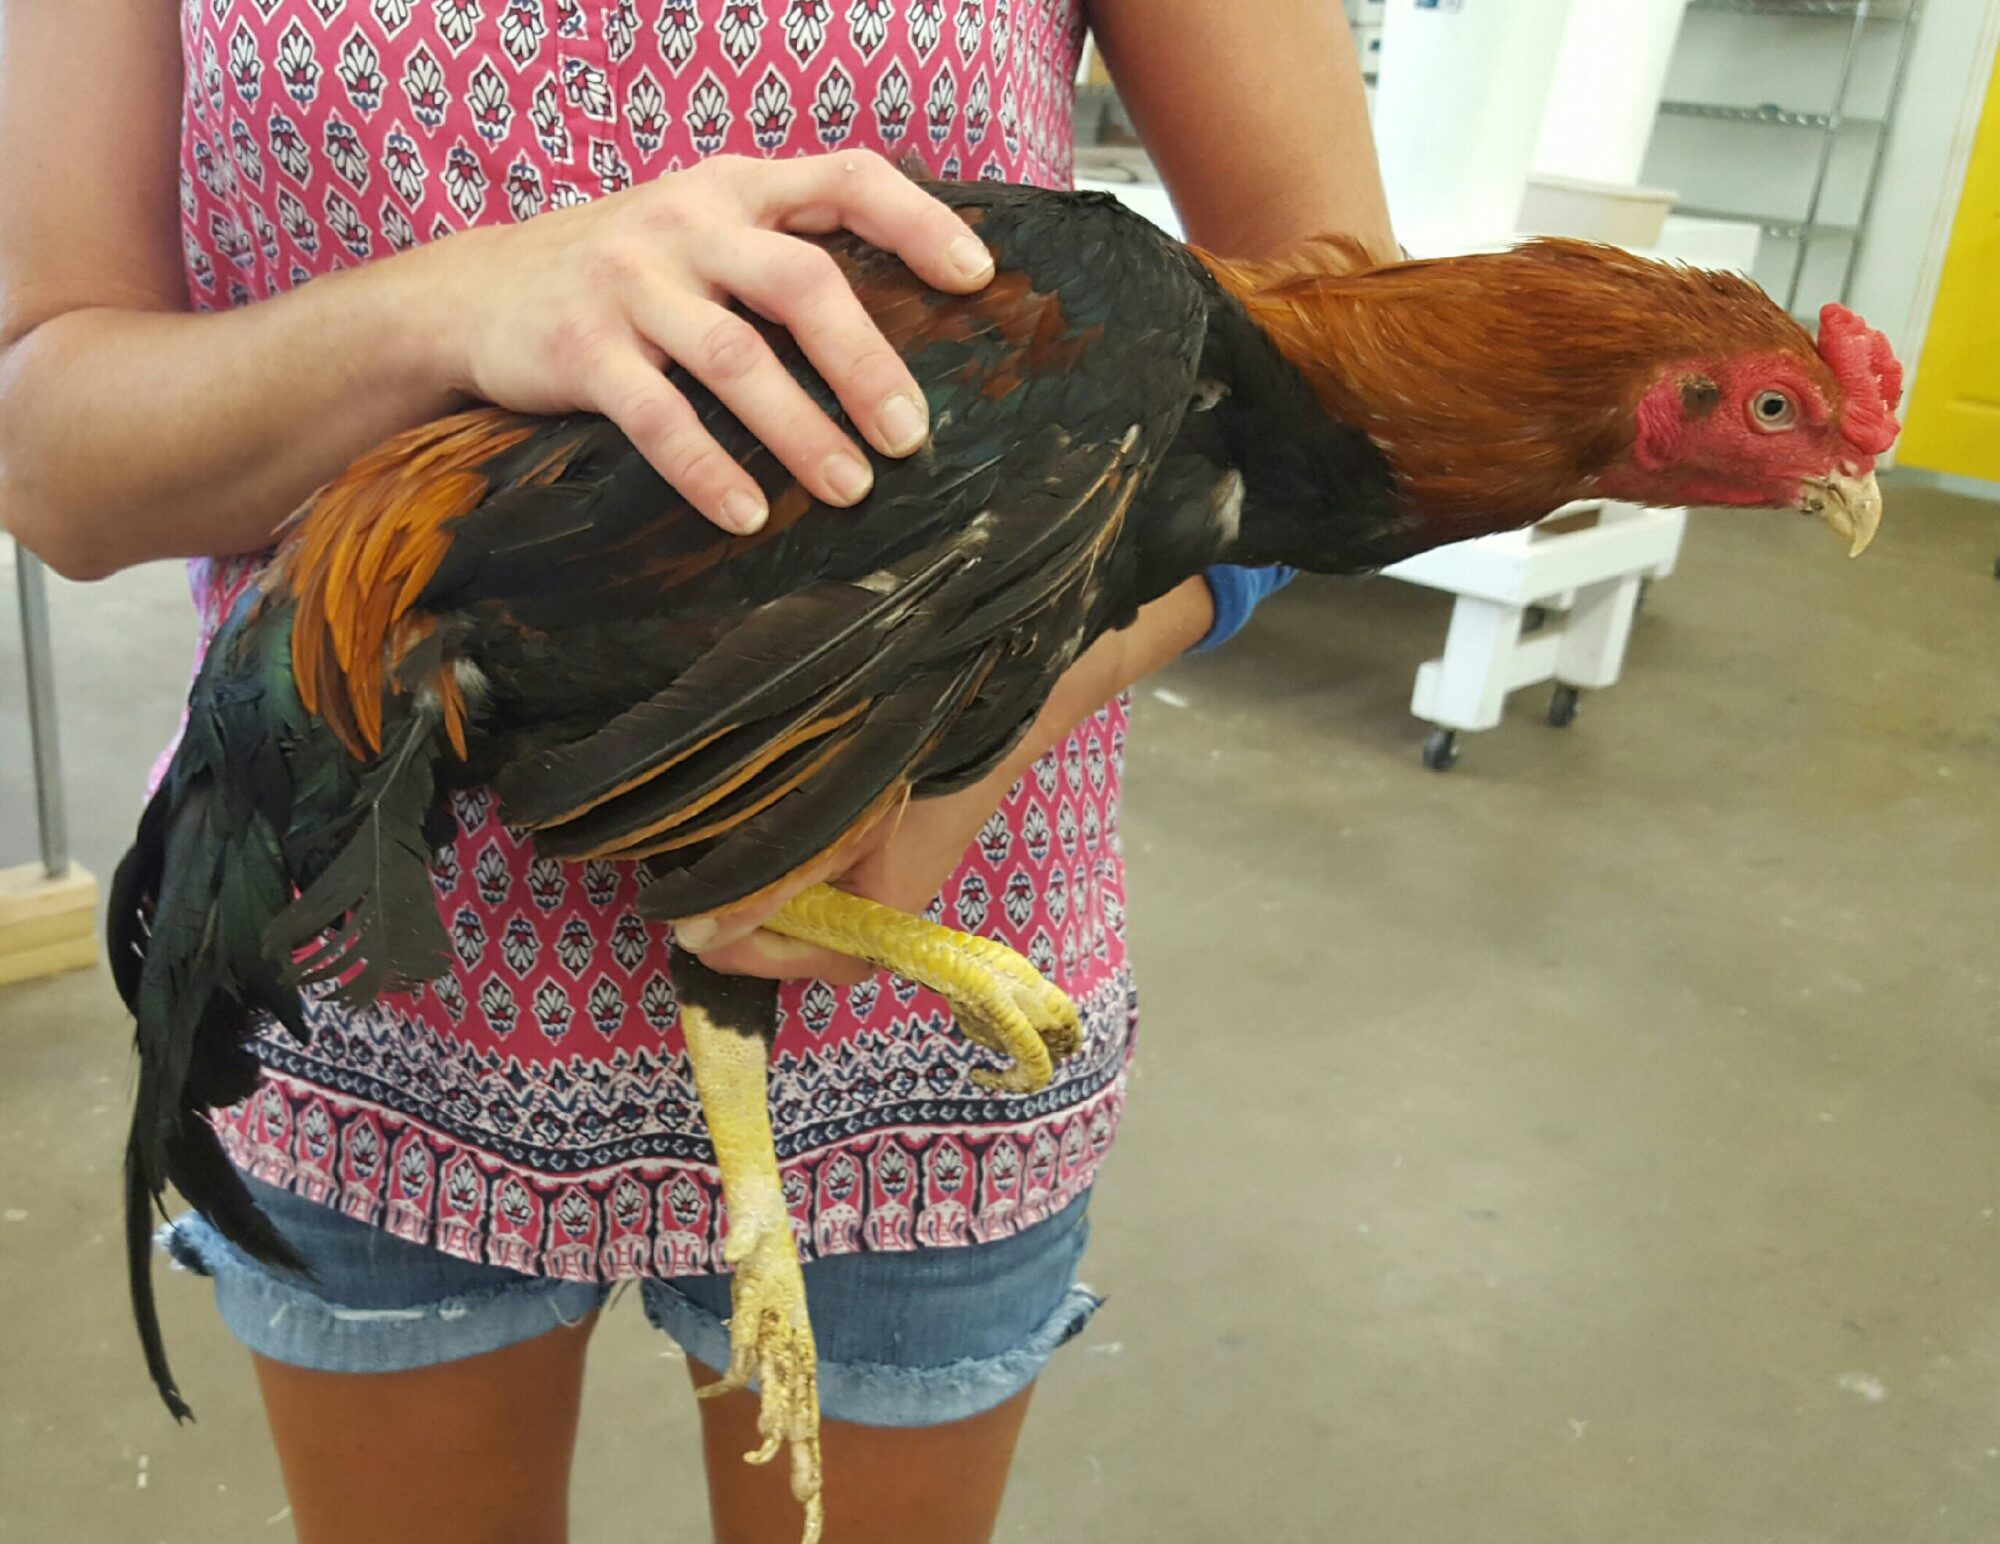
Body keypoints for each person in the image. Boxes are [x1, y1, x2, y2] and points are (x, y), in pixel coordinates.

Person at [0, 3, 1393, 1540]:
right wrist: (445, 308)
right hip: (365, 976)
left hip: (909, 1029)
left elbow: (1354, 372)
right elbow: (49, 451)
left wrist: (1014, 704)